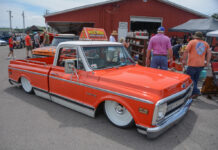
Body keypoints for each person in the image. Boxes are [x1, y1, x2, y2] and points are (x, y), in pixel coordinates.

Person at [182, 31, 211, 99]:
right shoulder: (206, 43)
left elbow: (186, 51)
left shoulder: (192, 42)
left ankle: (196, 91)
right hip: (201, 64)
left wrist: (183, 60)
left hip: (192, 64)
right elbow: (209, 53)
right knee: (196, 79)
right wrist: (207, 62)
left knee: (191, 79)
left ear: (195, 36)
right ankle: (193, 93)